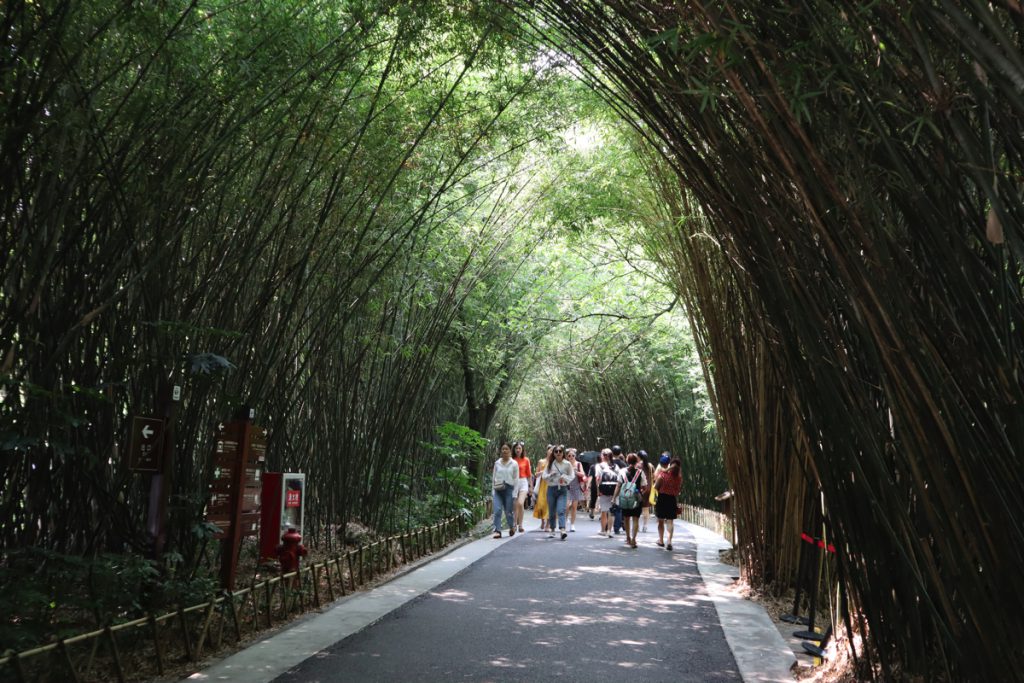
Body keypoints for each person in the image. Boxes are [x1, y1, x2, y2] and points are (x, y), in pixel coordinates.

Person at [613, 453, 647, 548]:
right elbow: (644, 487)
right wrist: (641, 494)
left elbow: (618, 486)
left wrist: (614, 498)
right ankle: (634, 539)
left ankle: (628, 537)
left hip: (625, 499)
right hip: (636, 499)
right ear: (636, 462)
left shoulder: (622, 472)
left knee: (626, 518)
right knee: (635, 518)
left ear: (627, 461)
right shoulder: (640, 472)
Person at [544, 444, 574, 540]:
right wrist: (550, 475)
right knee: (552, 511)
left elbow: (572, 476)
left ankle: (562, 530)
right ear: (553, 453)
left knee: (561, 510)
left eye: (560, 451)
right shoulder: (550, 464)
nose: (558, 453)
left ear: (563, 453)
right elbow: (544, 476)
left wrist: (564, 477)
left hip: (562, 489)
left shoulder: (567, 464)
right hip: (551, 489)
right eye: (556, 451)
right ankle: (552, 529)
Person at [654, 456, 683, 550]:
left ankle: (661, 541)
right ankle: (669, 541)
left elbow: (656, 488)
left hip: (662, 498)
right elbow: (678, 491)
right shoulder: (679, 478)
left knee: (661, 521)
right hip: (672, 500)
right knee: (670, 521)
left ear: (671, 465)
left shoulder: (663, 475)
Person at [492, 442, 519, 538]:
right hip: (498, 490)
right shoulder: (497, 463)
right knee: (497, 510)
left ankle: (511, 527)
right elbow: (493, 478)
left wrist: (515, 494)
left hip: (509, 490)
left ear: (510, 451)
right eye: (503, 449)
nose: (504, 451)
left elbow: (516, 479)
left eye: (506, 449)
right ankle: (497, 531)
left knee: (508, 512)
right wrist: (493, 491)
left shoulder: (514, 464)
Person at [593, 449, 618, 537]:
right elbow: (618, 479)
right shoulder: (615, 466)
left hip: (604, 489)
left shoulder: (599, 466)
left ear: (602, 456)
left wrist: (598, 491)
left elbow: (597, 479)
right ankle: (609, 531)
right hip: (613, 490)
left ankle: (603, 530)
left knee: (604, 511)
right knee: (611, 511)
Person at [512, 441, 532, 533]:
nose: (518, 450)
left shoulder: (526, 460)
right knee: (515, 505)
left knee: (520, 503)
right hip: (514, 482)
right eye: (516, 448)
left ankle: (521, 525)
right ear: (514, 449)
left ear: (522, 449)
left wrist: (531, 487)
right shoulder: (511, 460)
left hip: (523, 482)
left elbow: (529, 474)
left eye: (519, 448)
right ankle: (514, 525)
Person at [565, 448, 586, 532]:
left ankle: (572, 524)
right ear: (567, 456)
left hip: (576, 486)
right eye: (569, 455)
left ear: (575, 456)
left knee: (574, 507)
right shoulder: (565, 464)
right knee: (566, 505)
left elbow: (583, 474)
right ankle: (566, 519)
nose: (571, 457)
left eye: (573, 455)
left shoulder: (578, 464)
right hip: (567, 486)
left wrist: (576, 472)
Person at [532, 450, 550, 530]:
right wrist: (542, 472)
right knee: (541, 504)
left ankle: (548, 525)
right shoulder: (541, 461)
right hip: (542, 484)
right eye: (550, 450)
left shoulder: (555, 463)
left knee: (550, 504)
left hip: (551, 484)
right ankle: (542, 522)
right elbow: (536, 474)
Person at [610, 445, 626, 535]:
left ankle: (607, 526)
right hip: (620, 485)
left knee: (611, 506)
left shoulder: (610, 462)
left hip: (609, 486)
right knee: (619, 507)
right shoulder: (623, 463)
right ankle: (618, 527)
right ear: (620, 453)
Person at [638, 450, 654, 533]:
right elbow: (654, 476)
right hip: (648, 488)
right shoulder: (650, 465)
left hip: (640, 488)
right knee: (646, 508)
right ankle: (645, 526)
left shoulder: (638, 465)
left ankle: (636, 525)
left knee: (637, 507)